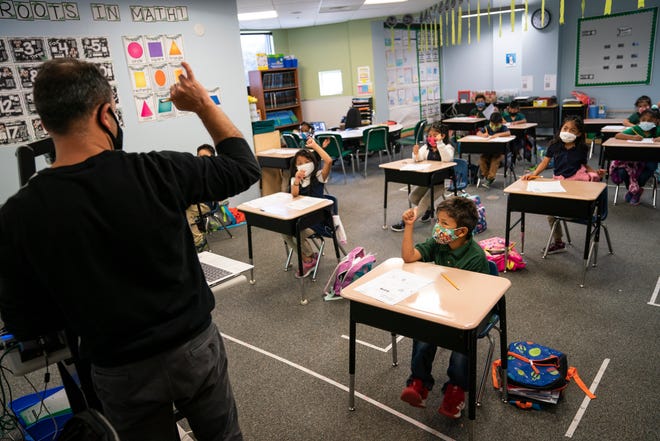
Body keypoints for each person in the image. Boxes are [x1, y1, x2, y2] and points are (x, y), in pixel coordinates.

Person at [0, 59, 261, 441]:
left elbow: (26, 323)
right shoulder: (159, 171)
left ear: (45, 125)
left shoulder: (17, 215)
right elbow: (243, 166)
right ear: (106, 113)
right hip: (193, 349)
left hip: (117, 369)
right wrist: (202, 103)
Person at [398, 198, 490, 419]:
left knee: (461, 348)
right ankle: (419, 382)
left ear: (461, 231)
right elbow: (409, 257)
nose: (438, 227)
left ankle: (456, 390)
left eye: (444, 223)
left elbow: (475, 300)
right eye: (438, 221)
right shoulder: (439, 242)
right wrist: (409, 226)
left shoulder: (476, 257)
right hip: (442, 306)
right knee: (423, 333)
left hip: (469, 310)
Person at [522, 115, 605, 254]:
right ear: (561, 129)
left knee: (570, 206)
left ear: (578, 134)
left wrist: (596, 173)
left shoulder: (581, 148)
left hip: (577, 182)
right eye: (565, 128)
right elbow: (545, 162)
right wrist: (534, 173)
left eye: (572, 130)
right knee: (551, 212)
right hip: (559, 182)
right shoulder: (555, 145)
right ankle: (558, 242)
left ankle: (578, 212)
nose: (568, 131)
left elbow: (584, 165)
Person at [282, 137, 333, 278]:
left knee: (296, 230)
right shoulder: (295, 179)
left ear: (313, 162)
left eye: (307, 162)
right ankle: (308, 258)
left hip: (319, 220)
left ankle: (308, 259)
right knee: (284, 232)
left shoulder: (318, 176)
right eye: (300, 163)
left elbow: (328, 161)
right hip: (302, 218)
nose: (303, 165)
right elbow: (294, 194)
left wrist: (315, 146)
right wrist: (297, 181)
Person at [391, 122, 454, 232]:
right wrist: (416, 154)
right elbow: (419, 159)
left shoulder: (448, 147)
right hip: (428, 180)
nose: (431, 138)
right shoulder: (426, 147)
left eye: (435, 136)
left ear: (443, 136)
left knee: (424, 202)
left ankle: (406, 222)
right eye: (430, 136)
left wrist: (439, 143)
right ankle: (430, 210)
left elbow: (446, 159)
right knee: (413, 197)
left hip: (443, 182)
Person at [610, 108, 660, 205]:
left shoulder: (657, 130)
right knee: (622, 171)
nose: (646, 122)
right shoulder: (636, 129)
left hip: (650, 159)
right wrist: (632, 137)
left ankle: (635, 191)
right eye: (643, 120)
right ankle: (634, 190)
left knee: (650, 168)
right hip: (633, 159)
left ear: (656, 121)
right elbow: (618, 135)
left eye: (650, 121)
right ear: (639, 121)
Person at [185, 143, 218, 251]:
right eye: (199, 156)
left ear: (212, 158)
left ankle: (199, 241)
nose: (201, 159)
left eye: (204, 157)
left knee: (187, 212)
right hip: (195, 201)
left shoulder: (214, 172)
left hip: (206, 203)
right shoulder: (195, 170)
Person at [476, 112, 511, 188]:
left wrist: (497, 135)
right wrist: (483, 135)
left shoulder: (503, 127)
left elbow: (508, 133)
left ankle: (490, 179)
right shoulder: (487, 127)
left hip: (500, 153)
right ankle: (486, 176)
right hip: (488, 151)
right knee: (482, 159)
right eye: (493, 124)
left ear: (501, 122)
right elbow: (478, 133)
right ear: (490, 122)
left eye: (496, 124)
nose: (494, 126)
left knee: (495, 160)